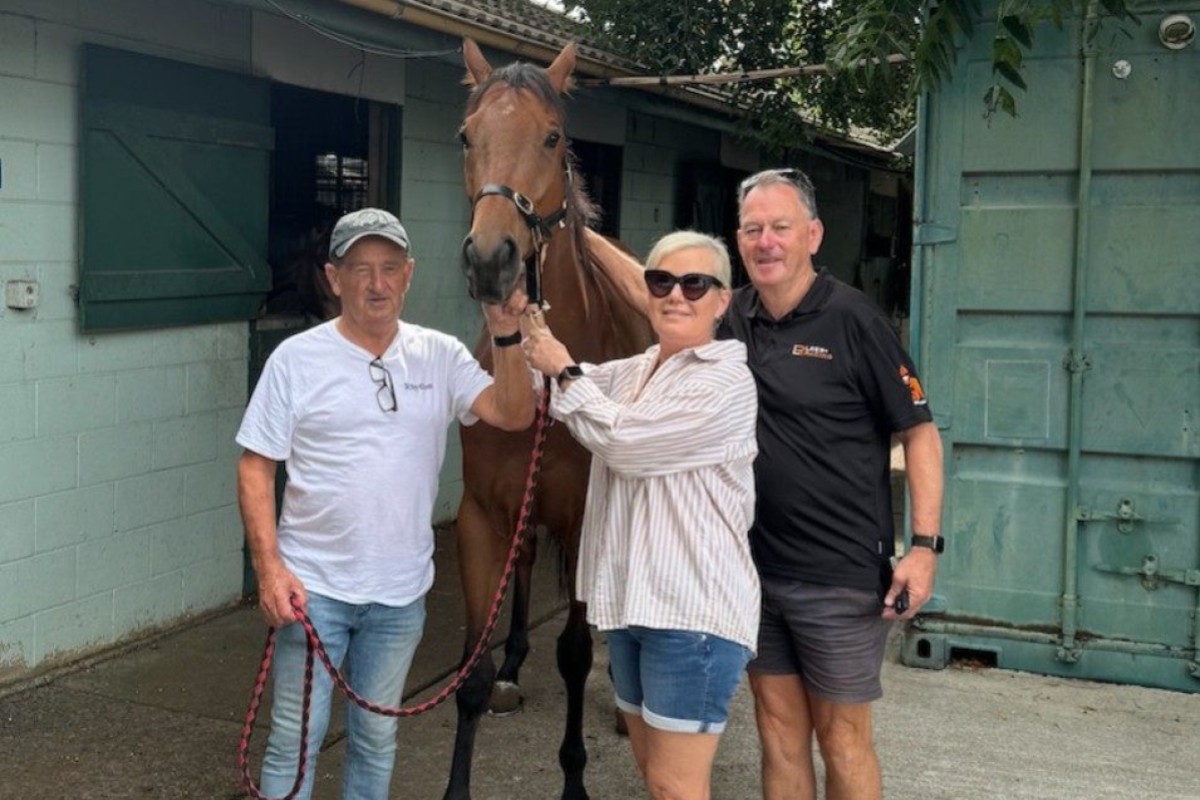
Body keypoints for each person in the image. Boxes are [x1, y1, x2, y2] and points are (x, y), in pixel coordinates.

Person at [236, 207, 535, 800]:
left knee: (375, 738)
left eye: (390, 268)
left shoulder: (440, 355)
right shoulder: (296, 359)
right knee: (295, 739)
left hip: (399, 596)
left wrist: (506, 335)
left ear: (409, 275)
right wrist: (269, 569)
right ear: (333, 278)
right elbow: (255, 465)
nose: (377, 283)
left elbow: (513, 412)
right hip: (311, 590)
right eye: (360, 269)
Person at [723, 168, 945, 800]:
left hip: (840, 576)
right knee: (776, 731)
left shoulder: (854, 320)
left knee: (842, 739)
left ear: (813, 236)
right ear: (738, 241)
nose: (766, 241)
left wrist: (924, 548)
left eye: (781, 227)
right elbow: (656, 295)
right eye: (753, 229)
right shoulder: (731, 317)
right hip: (754, 572)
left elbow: (919, 433)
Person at [520, 231, 760, 800]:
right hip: (634, 607)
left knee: (677, 786)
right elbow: (547, 386)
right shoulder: (637, 369)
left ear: (722, 301)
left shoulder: (726, 379)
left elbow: (623, 444)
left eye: (695, 284)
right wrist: (518, 323)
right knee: (656, 777)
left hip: (692, 615)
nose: (676, 295)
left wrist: (564, 371)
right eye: (661, 281)